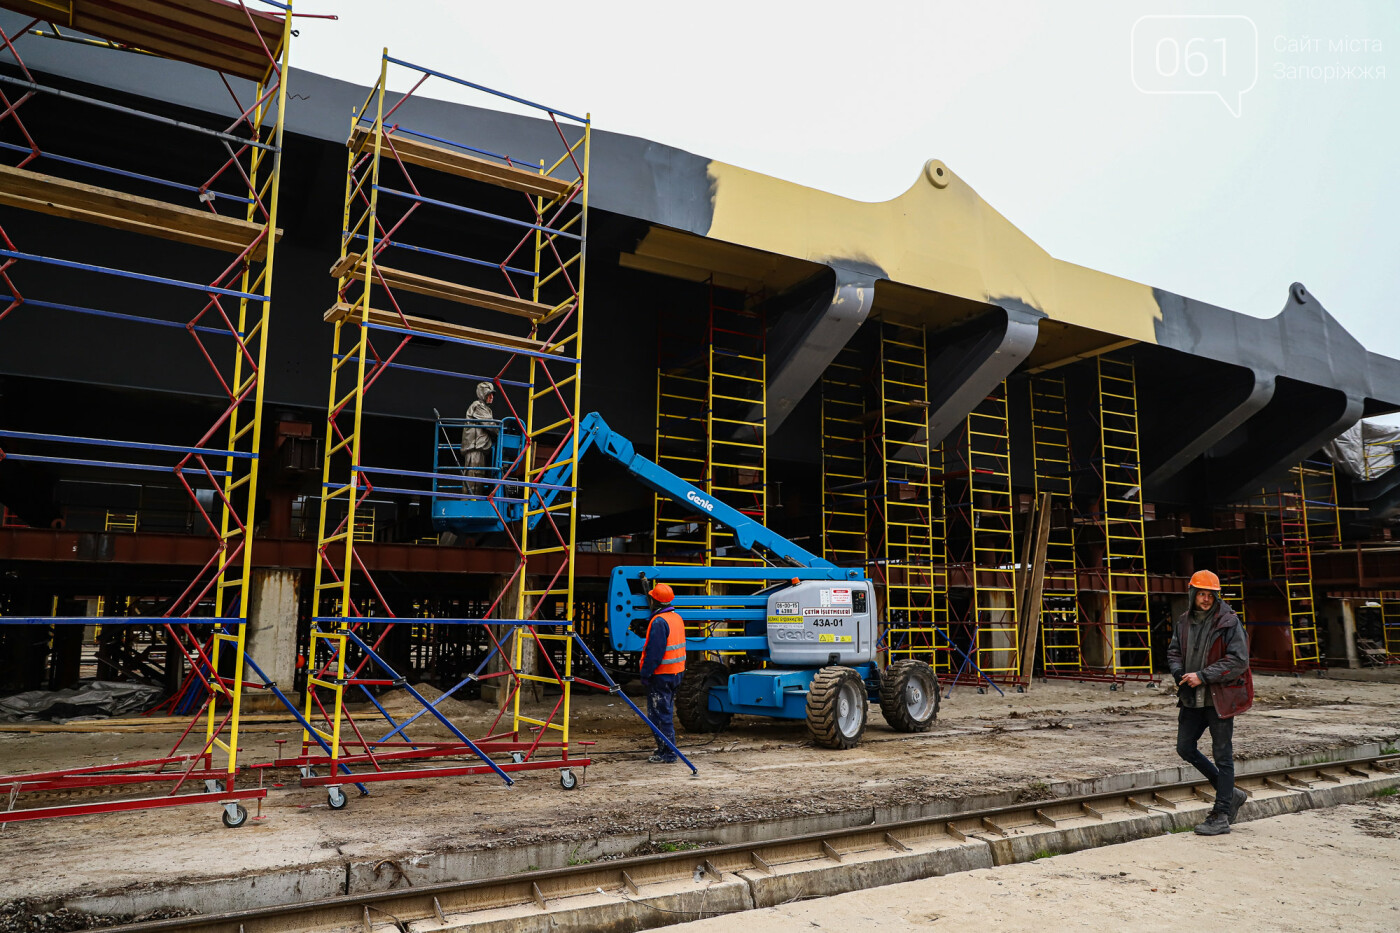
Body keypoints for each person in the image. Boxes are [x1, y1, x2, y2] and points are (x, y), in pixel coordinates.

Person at [1168, 569, 1254, 836]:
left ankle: (1221, 815)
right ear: (1193, 594)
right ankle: (1231, 794)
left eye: (1210, 595)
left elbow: (1239, 661)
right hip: (1192, 698)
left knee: (1223, 756)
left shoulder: (1229, 622)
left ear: (1217, 596)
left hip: (1219, 699)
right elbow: (1173, 651)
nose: (1205, 599)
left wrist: (1203, 676)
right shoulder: (1183, 622)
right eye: (1201, 594)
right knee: (1185, 747)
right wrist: (1178, 672)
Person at [638, 582, 686, 763]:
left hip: (662, 674)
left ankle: (667, 753)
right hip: (676, 673)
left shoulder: (659, 622)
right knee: (664, 712)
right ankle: (667, 749)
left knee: (659, 714)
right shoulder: (676, 618)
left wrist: (645, 673)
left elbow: (654, 653)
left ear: (654, 601)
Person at [460, 381, 497, 495]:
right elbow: (490, 424)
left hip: (478, 450)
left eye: (492, 394)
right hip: (475, 450)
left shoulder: (482, 407)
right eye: (489, 393)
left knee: (476, 479)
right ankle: (469, 505)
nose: (491, 397)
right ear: (482, 394)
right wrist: (500, 431)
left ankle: (471, 502)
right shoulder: (478, 406)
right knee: (474, 480)